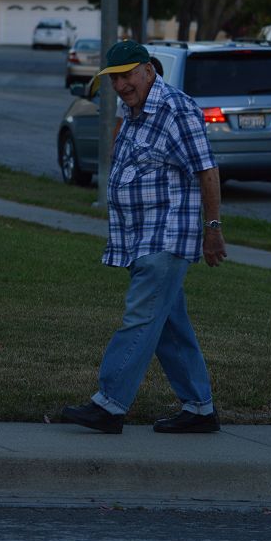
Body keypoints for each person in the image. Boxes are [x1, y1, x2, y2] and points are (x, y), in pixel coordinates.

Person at [62, 39, 227, 434]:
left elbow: (207, 169)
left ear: (148, 70)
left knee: (140, 318)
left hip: (166, 237)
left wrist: (213, 229)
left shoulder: (176, 109)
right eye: (114, 79)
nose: (120, 85)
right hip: (140, 238)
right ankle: (200, 409)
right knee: (169, 326)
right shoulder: (134, 109)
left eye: (127, 76)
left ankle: (109, 404)